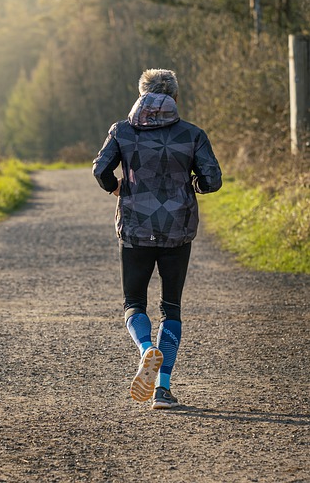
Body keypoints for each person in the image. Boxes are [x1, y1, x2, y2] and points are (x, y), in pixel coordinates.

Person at [92, 68, 222, 409]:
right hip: (177, 230)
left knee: (134, 302)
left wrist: (117, 188)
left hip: (135, 227)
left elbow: (101, 170)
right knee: (171, 308)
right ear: (175, 97)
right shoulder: (192, 134)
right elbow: (212, 179)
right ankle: (162, 390)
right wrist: (192, 185)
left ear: (140, 94)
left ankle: (145, 348)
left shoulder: (121, 131)